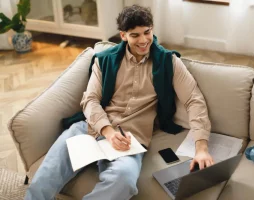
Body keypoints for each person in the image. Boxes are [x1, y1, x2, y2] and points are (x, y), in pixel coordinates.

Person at [24, 4, 214, 200]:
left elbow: (194, 100)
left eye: (147, 32)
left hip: (130, 140)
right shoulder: (104, 60)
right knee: (48, 173)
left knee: (123, 180)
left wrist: (201, 148)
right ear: (123, 35)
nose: (143, 40)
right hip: (90, 129)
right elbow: (90, 100)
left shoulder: (168, 62)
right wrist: (107, 131)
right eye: (135, 35)